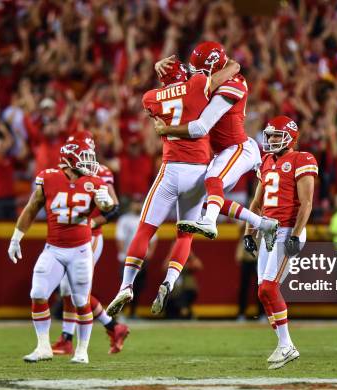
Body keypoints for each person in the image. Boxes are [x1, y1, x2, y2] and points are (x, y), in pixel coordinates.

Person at [106, 56, 277, 317]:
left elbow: (166, 99)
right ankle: (170, 281)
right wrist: (226, 65)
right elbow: (227, 72)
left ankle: (126, 285)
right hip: (198, 171)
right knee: (184, 234)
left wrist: (159, 74)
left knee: (144, 230)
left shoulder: (150, 97)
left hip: (171, 168)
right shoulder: (197, 83)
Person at [153, 42, 277, 245]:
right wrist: (160, 68)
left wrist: (166, 130)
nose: (196, 75)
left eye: (200, 71)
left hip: (238, 148)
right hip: (222, 151)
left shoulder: (232, 85)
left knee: (213, 178)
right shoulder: (221, 72)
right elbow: (185, 80)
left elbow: (201, 127)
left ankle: (210, 222)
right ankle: (264, 224)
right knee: (198, 197)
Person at [7, 139, 115, 364]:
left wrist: (105, 203)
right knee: (37, 293)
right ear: (69, 160)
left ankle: (82, 351)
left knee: (80, 300)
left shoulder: (94, 182)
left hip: (81, 250)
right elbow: (31, 208)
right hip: (53, 248)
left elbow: (107, 208)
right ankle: (43, 347)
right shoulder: (48, 178)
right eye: (85, 157)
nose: (90, 162)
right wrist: (16, 238)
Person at [243, 116, 317, 370]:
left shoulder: (301, 159)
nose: (272, 139)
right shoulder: (265, 162)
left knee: (267, 288)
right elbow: (256, 203)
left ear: (290, 137)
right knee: (263, 292)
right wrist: (248, 232)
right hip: (268, 232)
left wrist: (296, 234)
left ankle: (287, 346)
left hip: (288, 230)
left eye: (276, 135)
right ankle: (283, 345)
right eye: (270, 135)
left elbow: (306, 203)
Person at [51, 131, 129, 356]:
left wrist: (92, 221)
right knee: (67, 288)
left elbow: (114, 206)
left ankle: (106, 328)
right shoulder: (65, 172)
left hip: (90, 236)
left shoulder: (100, 172)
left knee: (74, 288)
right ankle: (79, 335)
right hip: (70, 235)